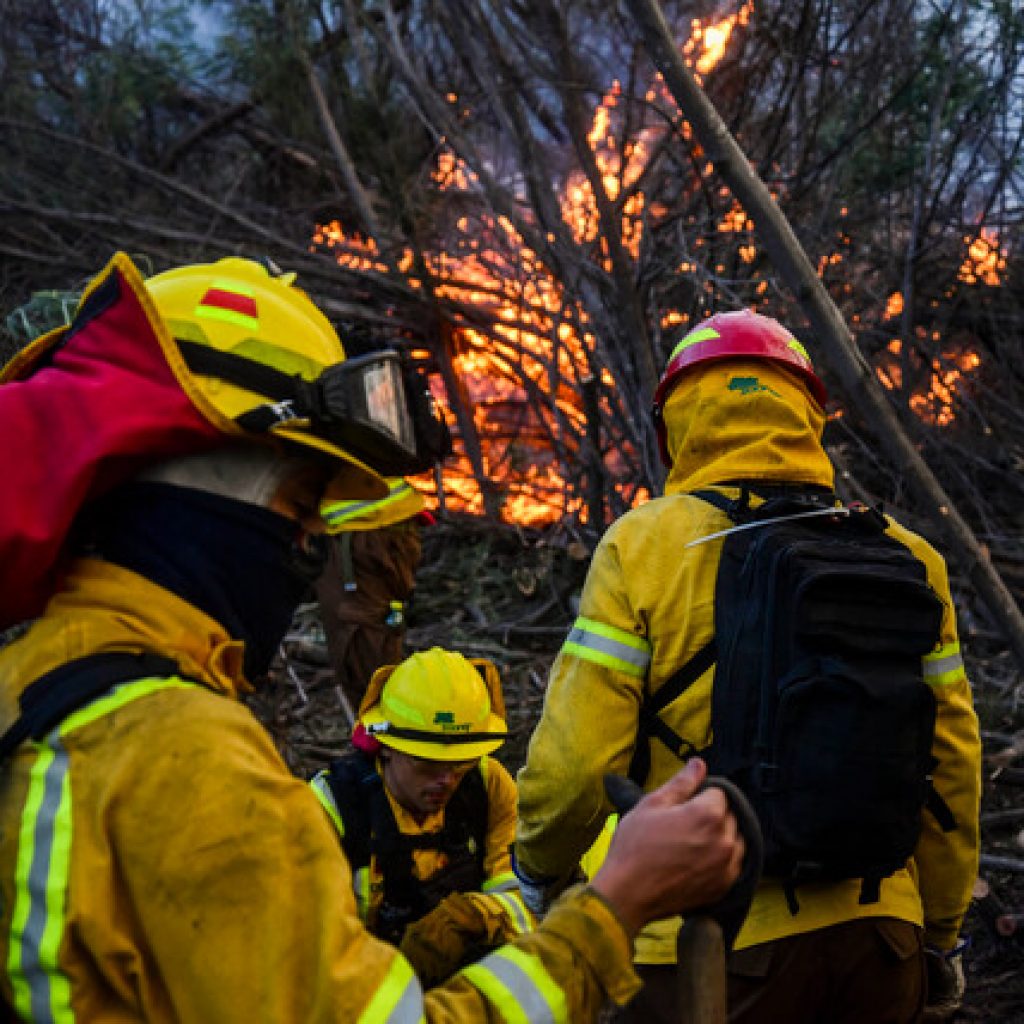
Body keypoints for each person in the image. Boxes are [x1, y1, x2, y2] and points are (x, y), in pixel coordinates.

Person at [0, 252, 744, 1023]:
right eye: (300, 511)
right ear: (203, 485)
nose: (311, 551)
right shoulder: (186, 759)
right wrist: (616, 906)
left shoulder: (34, 688)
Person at [514, 310, 981, 1024]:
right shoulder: (911, 557)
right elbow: (951, 772)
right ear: (808, 414)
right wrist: (940, 937)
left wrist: (541, 877)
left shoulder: (645, 545)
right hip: (882, 946)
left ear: (675, 423)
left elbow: (576, 763)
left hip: (705, 954)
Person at [310, 648, 533, 985]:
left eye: (461, 761)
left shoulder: (488, 786)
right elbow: (309, 947)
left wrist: (471, 916)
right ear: (383, 745)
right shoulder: (333, 809)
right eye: (427, 763)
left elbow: (530, 900)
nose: (447, 779)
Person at [315, 478, 429, 717]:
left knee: (362, 656)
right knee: (376, 640)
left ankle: (388, 743)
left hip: (361, 527)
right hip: (375, 520)